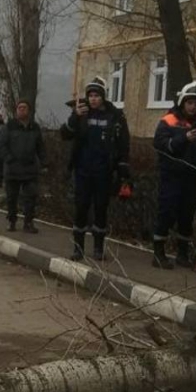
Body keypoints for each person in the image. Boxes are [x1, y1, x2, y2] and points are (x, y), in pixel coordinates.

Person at [151, 81, 196, 269]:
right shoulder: (169, 120)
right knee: (166, 211)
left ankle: (182, 254)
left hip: (192, 175)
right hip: (171, 175)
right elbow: (160, 144)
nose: (193, 107)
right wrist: (184, 138)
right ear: (183, 102)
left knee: (187, 214)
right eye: (190, 102)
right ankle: (158, 253)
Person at [60, 76, 131, 261]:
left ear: (103, 97)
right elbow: (64, 134)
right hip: (83, 170)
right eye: (90, 95)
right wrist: (75, 117)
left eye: (97, 95)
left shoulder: (115, 116)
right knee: (81, 208)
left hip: (104, 171)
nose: (93, 99)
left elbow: (124, 143)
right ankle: (78, 248)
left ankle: (98, 248)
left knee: (101, 209)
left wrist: (123, 168)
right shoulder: (81, 114)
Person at [0, 99, 46, 234]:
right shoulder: (9, 126)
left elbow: (40, 147)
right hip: (12, 169)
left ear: (29, 111)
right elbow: (1, 145)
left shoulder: (34, 127)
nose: (22, 110)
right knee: (12, 198)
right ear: (16, 111)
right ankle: (12, 221)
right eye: (19, 108)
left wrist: (44, 162)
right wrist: (9, 158)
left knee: (30, 197)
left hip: (29, 169)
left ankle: (28, 222)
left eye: (24, 108)